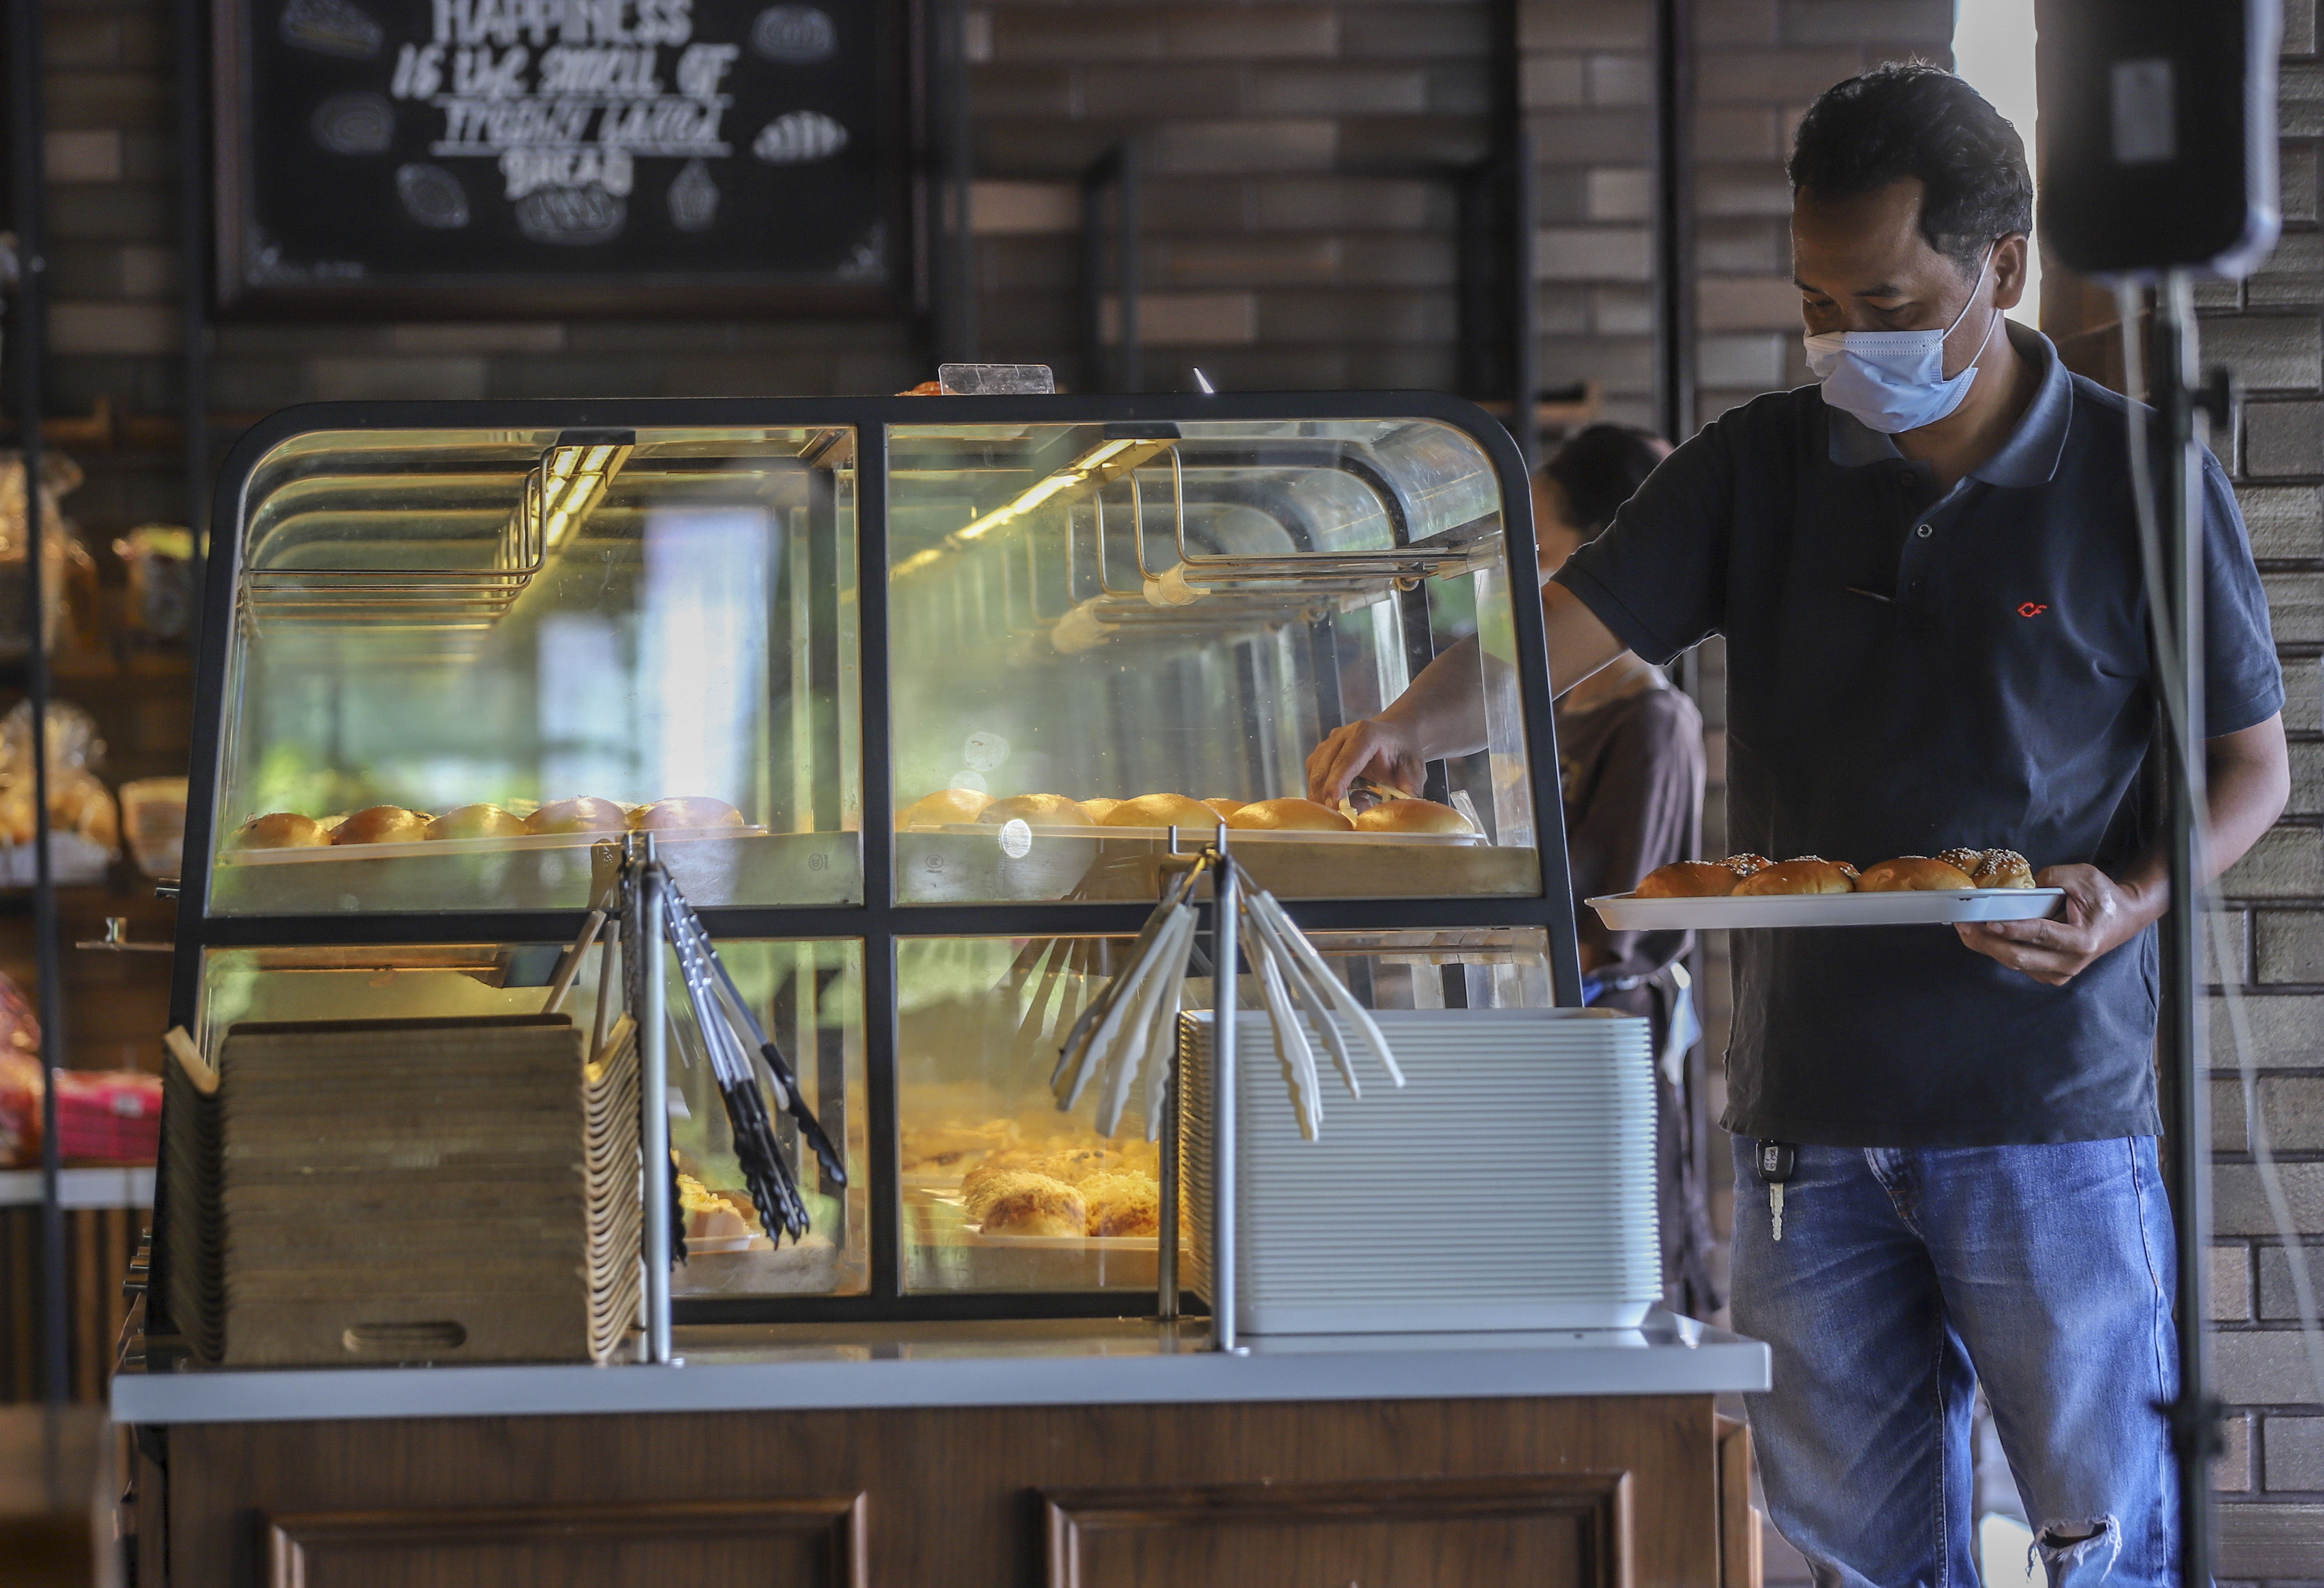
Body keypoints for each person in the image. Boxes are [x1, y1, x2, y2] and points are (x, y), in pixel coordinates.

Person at [1310, 63, 2289, 1582]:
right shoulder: (1755, 463)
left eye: (1886, 299)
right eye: (1819, 302)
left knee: (2110, 1543)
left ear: (2004, 267)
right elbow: (1544, 636)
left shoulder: (2144, 476)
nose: (1846, 338)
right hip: (1802, 1134)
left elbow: (2252, 768)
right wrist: (1398, 725)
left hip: (2048, 1114)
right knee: (1844, 1556)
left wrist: (2136, 896)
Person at [1536, 423, 1721, 1318]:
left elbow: (1615, 923)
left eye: (1541, 550)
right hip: (1552, 1034)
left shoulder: (1652, 723)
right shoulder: (1559, 706)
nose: (1529, 576)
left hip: (1602, 1047)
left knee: (1623, 1291)